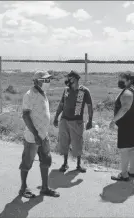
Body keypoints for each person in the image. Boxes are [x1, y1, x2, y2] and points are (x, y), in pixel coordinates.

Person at [19, 70, 60, 198]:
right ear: (36, 81)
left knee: (46, 160)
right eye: (45, 80)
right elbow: (25, 115)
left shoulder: (43, 93)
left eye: (48, 80)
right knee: (27, 162)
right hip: (33, 136)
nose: (48, 82)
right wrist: (36, 134)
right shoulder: (30, 94)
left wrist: (42, 133)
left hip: (44, 135)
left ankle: (45, 188)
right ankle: (23, 188)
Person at [53, 71, 93, 173]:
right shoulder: (66, 90)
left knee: (77, 143)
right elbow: (62, 104)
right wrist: (56, 117)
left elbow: (89, 106)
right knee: (64, 142)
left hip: (76, 121)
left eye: (70, 78)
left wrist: (90, 120)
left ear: (75, 79)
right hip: (64, 120)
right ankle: (65, 163)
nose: (68, 80)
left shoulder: (83, 91)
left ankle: (78, 165)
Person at [109, 73, 134, 181]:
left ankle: (124, 174)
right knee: (131, 148)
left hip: (127, 124)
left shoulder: (127, 92)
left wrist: (113, 120)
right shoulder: (132, 90)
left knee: (124, 149)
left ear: (128, 81)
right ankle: (132, 171)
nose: (119, 82)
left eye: (122, 80)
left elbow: (124, 109)